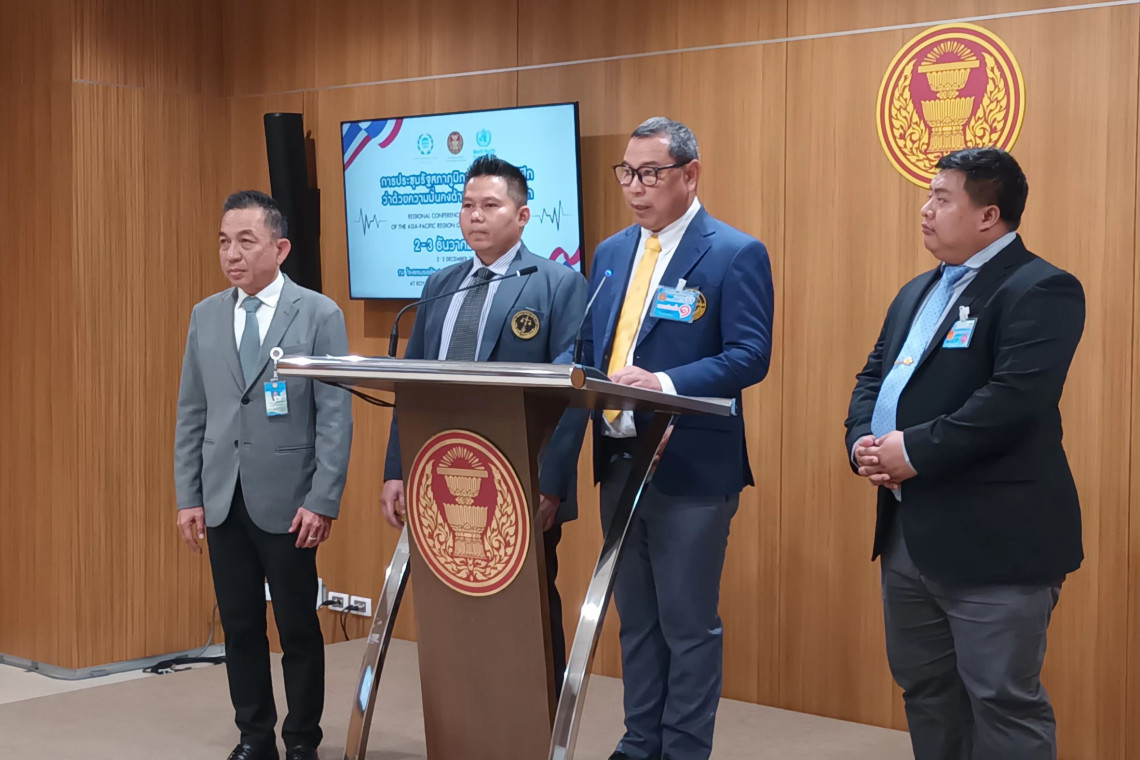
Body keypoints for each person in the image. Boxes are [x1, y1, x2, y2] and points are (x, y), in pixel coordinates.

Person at [844, 148, 1084, 760]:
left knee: (1003, 701)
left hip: (995, 542)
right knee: (927, 693)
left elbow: (1014, 400)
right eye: (928, 196)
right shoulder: (917, 291)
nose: (925, 210)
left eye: (942, 198)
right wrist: (863, 442)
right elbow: (874, 376)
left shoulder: (1041, 288)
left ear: (988, 215)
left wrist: (914, 450)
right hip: (909, 536)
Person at [571, 117, 774, 760]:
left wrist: (662, 383)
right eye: (627, 173)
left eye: (650, 173)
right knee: (635, 620)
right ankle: (639, 744)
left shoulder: (734, 252)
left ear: (690, 174)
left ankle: (683, 750)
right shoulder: (610, 254)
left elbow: (749, 355)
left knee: (687, 625)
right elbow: (590, 349)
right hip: (620, 459)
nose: (635, 187)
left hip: (689, 466)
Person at [379, 154, 588, 693]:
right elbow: (411, 386)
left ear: (522, 216)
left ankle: (539, 723)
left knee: (528, 609)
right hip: (442, 475)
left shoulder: (558, 284)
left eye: (490, 205)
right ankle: (467, 714)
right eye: (468, 205)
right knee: (453, 607)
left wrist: (551, 484)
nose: (475, 215)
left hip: (519, 479)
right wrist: (397, 468)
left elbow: (572, 394)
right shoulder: (441, 284)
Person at [174, 190, 353, 760]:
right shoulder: (205, 315)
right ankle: (254, 737)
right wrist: (188, 496)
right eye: (224, 242)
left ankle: (302, 740)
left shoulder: (318, 313)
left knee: (298, 627)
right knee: (240, 625)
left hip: (290, 499)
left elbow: (335, 416)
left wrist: (323, 498)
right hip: (223, 497)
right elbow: (192, 412)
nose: (232, 254)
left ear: (280, 248)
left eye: (246, 241)